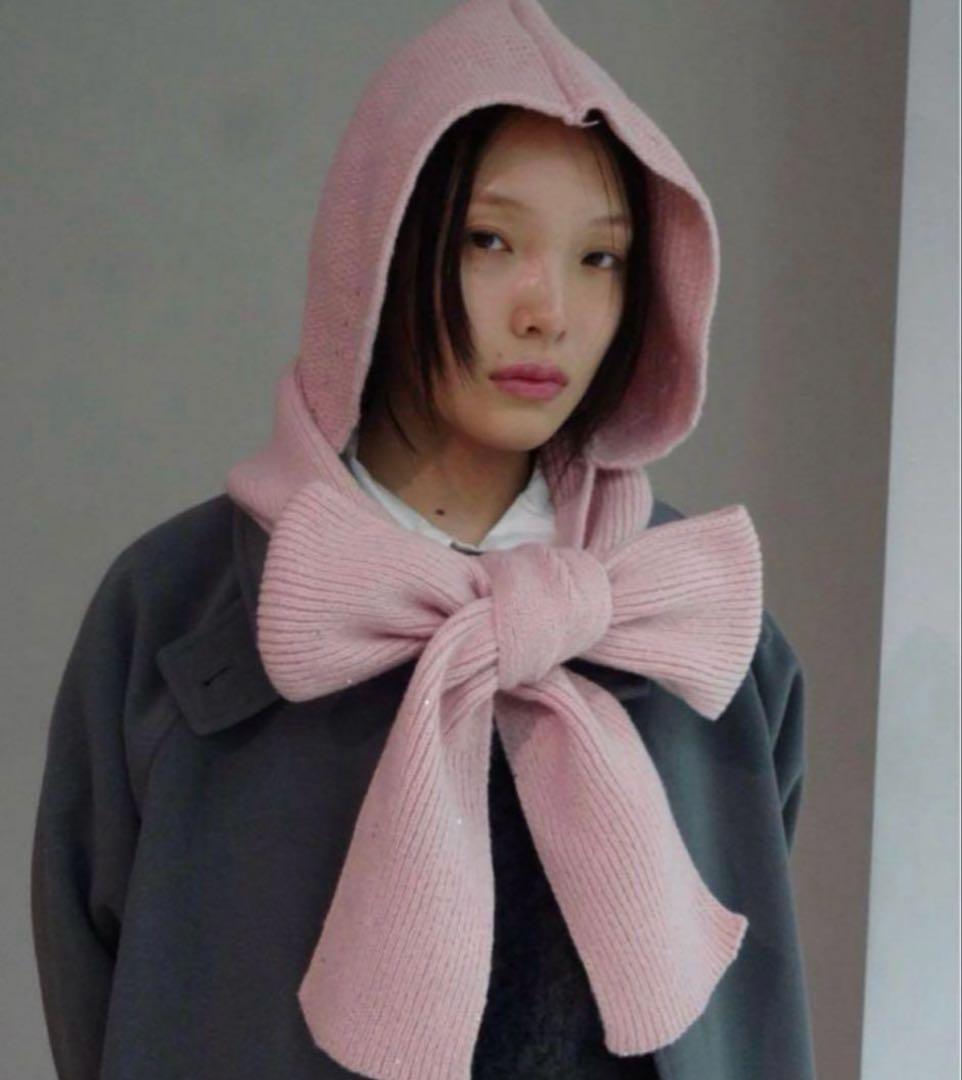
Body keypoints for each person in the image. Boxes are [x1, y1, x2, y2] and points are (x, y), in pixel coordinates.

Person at [30, 1, 817, 1078]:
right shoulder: (174, 609)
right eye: (490, 242)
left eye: (601, 258)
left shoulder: (697, 629)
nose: (549, 311)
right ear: (381, 249)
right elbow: (95, 983)